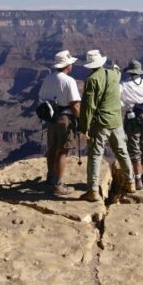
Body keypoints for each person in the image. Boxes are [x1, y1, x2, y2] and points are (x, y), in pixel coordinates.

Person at [79, 49, 135, 202]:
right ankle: (131, 182)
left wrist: (84, 127)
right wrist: (116, 67)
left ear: (90, 65)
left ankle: (93, 191)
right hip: (116, 121)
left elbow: (88, 106)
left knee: (96, 155)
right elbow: (117, 71)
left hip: (101, 123)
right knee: (122, 152)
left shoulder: (92, 80)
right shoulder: (113, 75)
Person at [38, 50, 81, 196]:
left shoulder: (48, 78)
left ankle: (50, 177)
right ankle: (59, 184)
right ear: (67, 65)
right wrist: (80, 120)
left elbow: (41, 98)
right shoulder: (69, 81)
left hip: (51, 119)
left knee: (52, 148)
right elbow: (75, 105)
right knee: (63, 150)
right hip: (64, 119)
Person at [120, 60, 143, 189]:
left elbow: (121, 102)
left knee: (134, 148)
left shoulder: (123, 85)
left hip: (132, 119)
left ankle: (138, 180)